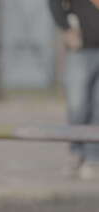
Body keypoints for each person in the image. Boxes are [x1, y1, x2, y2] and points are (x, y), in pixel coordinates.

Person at [49, 0, 99, 180]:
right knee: (78, 105)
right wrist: (66, 29)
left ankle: (93, 158)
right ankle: (76, 153)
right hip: (80, 49)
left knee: (98, 107)